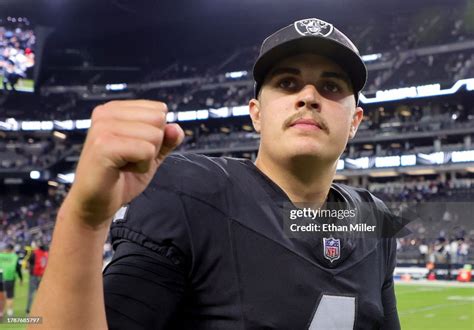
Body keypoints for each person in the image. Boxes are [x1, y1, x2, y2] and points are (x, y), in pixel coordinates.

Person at [31, 18, 401, 329]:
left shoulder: (374, 221)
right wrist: (84, 219)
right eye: (287, 83)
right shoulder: (191, 192)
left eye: (331, 86)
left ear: (354, 122)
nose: (308, 96)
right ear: (256, 113)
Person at [26, 242, 49, 314]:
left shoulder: (34, 253)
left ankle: (28, 310)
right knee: (42, 293)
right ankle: (41, 309)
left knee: (31, 293)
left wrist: (29, 269)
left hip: (34, 275)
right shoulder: (46, 254)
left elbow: (28, 262)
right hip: (42, 275)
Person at [0, 244, 22, 317]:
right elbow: (18, 268)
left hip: (1, 278)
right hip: (10, 279)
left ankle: (1, 312)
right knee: (9, 296)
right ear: (12, 249)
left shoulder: (1, 255)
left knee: (1, 297)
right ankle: (9, 312)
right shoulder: (14, 257)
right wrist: (20, 278)